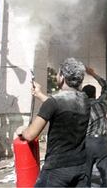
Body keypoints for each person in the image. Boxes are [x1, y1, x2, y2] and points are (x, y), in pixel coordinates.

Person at [19, 58, 90, 187]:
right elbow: (61, 107)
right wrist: (40, 94)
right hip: (80, 166)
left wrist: (22, 131)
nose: (57, 76)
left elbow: (30, 135)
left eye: (58, 73)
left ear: (62, 77)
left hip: (57, 169)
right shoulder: (84, 100)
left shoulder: (54, 102)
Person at [83, 67, 107, 187]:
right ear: (95, 94)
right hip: (101, 142)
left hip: (86, 142)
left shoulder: (80, 106)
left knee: (85, 175)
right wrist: (93, 74)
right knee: (106, 174)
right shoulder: (101, 104)